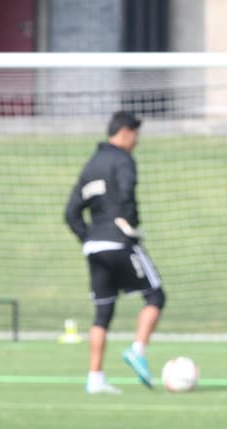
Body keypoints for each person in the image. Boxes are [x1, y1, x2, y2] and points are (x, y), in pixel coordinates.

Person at [64, 110, 163, 394]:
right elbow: (127, 191)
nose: (137, 142)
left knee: (102, 312)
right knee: (155, 295)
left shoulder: (90, 165)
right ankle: (138, 350)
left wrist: (89, 237)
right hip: (120, 242)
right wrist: (128, 223)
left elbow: (71, 212)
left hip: (94, 247)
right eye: (136, 135)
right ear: (125, 133)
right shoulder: (122, 160)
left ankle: (95, 379)